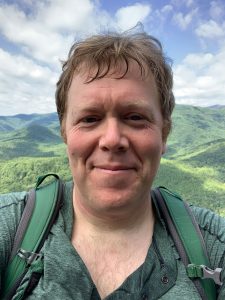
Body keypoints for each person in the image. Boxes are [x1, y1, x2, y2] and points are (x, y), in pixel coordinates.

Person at [0, 28, 225, 299]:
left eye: (134, 116)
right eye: (90, 118)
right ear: (64, 133)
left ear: (164, 133)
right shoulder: (11, 227)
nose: (112, 139)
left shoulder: (213, 245)